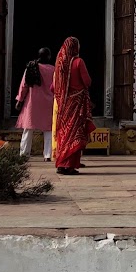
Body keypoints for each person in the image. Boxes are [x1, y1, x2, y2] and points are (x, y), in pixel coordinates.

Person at [52, 36, 94, 174]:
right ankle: (69, 164)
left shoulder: (59, 65)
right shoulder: (78, 62)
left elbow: (53, 87)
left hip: (63, 105)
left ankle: (61, 163)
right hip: (77, 104)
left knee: (64, 132)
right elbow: (87, 81)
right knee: (75, 132)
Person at [15, 46, 55, 160]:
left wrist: (19, 100)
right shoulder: (53, 70)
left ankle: (24, 153)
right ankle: (48, 155)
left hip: (32, 102)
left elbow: (24, 85)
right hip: (48, 103)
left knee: (28, 128)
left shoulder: (30, 67)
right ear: (48, 57)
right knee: (48, 129)